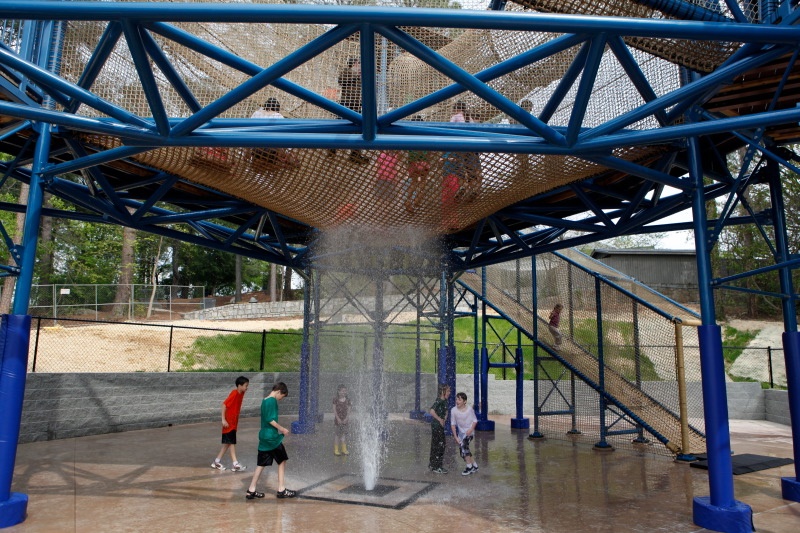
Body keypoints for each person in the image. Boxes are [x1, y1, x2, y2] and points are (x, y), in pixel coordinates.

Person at [246, 382, 297, 500]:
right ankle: (281, 489)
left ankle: (251, 490)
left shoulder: (265, 400)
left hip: (264, 436)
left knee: (261, 463)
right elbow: (270, 419)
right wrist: (282, 429)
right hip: (271, 437)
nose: (280, 399)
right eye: (282, 397)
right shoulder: (272, 401)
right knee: (282, 460)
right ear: (279, 391)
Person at [330, 57, 369, 164]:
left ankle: (355, 154)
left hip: (357, 106)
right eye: (359, 63)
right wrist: (356, 73)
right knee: (340, 127)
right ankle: (332, 147)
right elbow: (341, 80)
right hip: (346, 104)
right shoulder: (347, 72)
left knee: (359, 129)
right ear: (355, 64)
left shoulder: (361, 75)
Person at [211, 375, 249, 472]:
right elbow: (224, 405)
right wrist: (223, 419)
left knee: (227, 444)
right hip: (228, 424)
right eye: (245, 385)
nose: (247, 388)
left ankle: (216, 462)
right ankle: (235, 464)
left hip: (233, 423)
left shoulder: (241, 393)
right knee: (231, 443)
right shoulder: (234, 393)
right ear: (239, 386)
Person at [249, 97, 299, 170]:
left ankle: (256, 165)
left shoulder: (256, 113)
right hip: (271, 151)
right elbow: (284, 136)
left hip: (256, 148)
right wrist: (288, 151)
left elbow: (249, 130)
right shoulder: (279, 116)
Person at [405, 115, 431, 213]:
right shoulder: (424, 134)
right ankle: (418, 200)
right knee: (422, 183)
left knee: (413, 182)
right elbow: (429, 151)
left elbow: (408, 151)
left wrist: (408, 163)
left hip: (413, 161)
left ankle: (408, 201)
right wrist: (428, 162)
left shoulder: (409, 135)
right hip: (424, 161)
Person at [450, 391, 478, 476]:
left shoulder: (469, 410)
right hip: (461, 434)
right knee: (463, 452)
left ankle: (469, 467)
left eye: (459, 399)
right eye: (456, 399)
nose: (457, 401)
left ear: (464, 401)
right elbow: (453, 424)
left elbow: (475, 420)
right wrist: (455, 437)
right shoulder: (453, 410)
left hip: (469, 432)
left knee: (464, 446)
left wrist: (471, 429)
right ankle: (474, 466)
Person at [428, 383, 450, 474]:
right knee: (440, 444)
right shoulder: (439, 400)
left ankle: (432, 464)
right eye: (448, 391)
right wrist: (439, 419)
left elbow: (446, 410)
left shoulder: (445, 401)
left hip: (439, 426)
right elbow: (431, 411)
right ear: (443, 392)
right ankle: (437, 466)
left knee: (438, 444)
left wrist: (444, 418)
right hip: (436, 426)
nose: (450, 392)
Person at [332, 384, 352, 456]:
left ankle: (344, 449)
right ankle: (336, 450)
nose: (344, 392)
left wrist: (346, 418)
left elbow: (349, 410)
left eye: (345, 391)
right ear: (338, 391)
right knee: (337, 435)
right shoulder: (335, 399)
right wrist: (337, 418)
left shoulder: (348, 400)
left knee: (343, 434)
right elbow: (334, 410)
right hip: (338, 420)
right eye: (342, 391)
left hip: (345, 420)